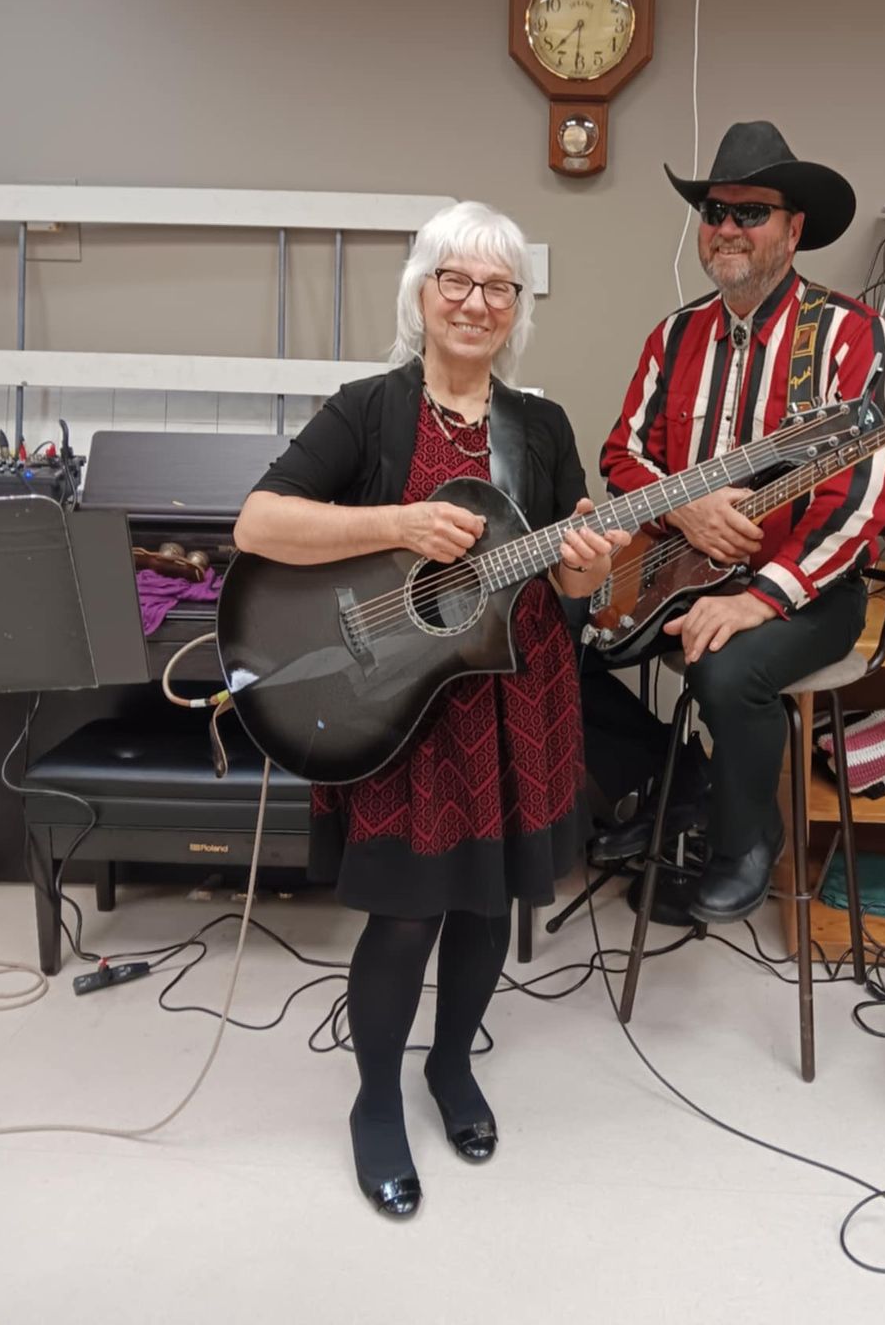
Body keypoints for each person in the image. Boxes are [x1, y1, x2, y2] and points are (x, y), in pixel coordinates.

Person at [234, 201, 628, 1221]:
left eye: (499, 286)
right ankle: (376, 1100)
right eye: (456, 279)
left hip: (515, 695)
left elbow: (568, 580)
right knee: (408, 912)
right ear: (421, 292)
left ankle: (452, 1066)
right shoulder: (368, 410)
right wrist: (399, 523)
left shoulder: (540, 425)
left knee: (488, 904)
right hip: (404, 700)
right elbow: (259, 522)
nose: (475, 301)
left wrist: (589, 569)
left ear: (517, 308)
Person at [594, 120, 885, 924]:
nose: (727, 228)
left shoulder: (848, 336)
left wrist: (759, 599)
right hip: (681, 571)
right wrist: (683, 505)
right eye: (715, 211)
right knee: (540, 632)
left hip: (809, 590)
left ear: (793, 231)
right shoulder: (673, 336)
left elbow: (859, 498)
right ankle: (677, 781)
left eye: (750, 212)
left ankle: (745, 839)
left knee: (725, 670)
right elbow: (622, 455)